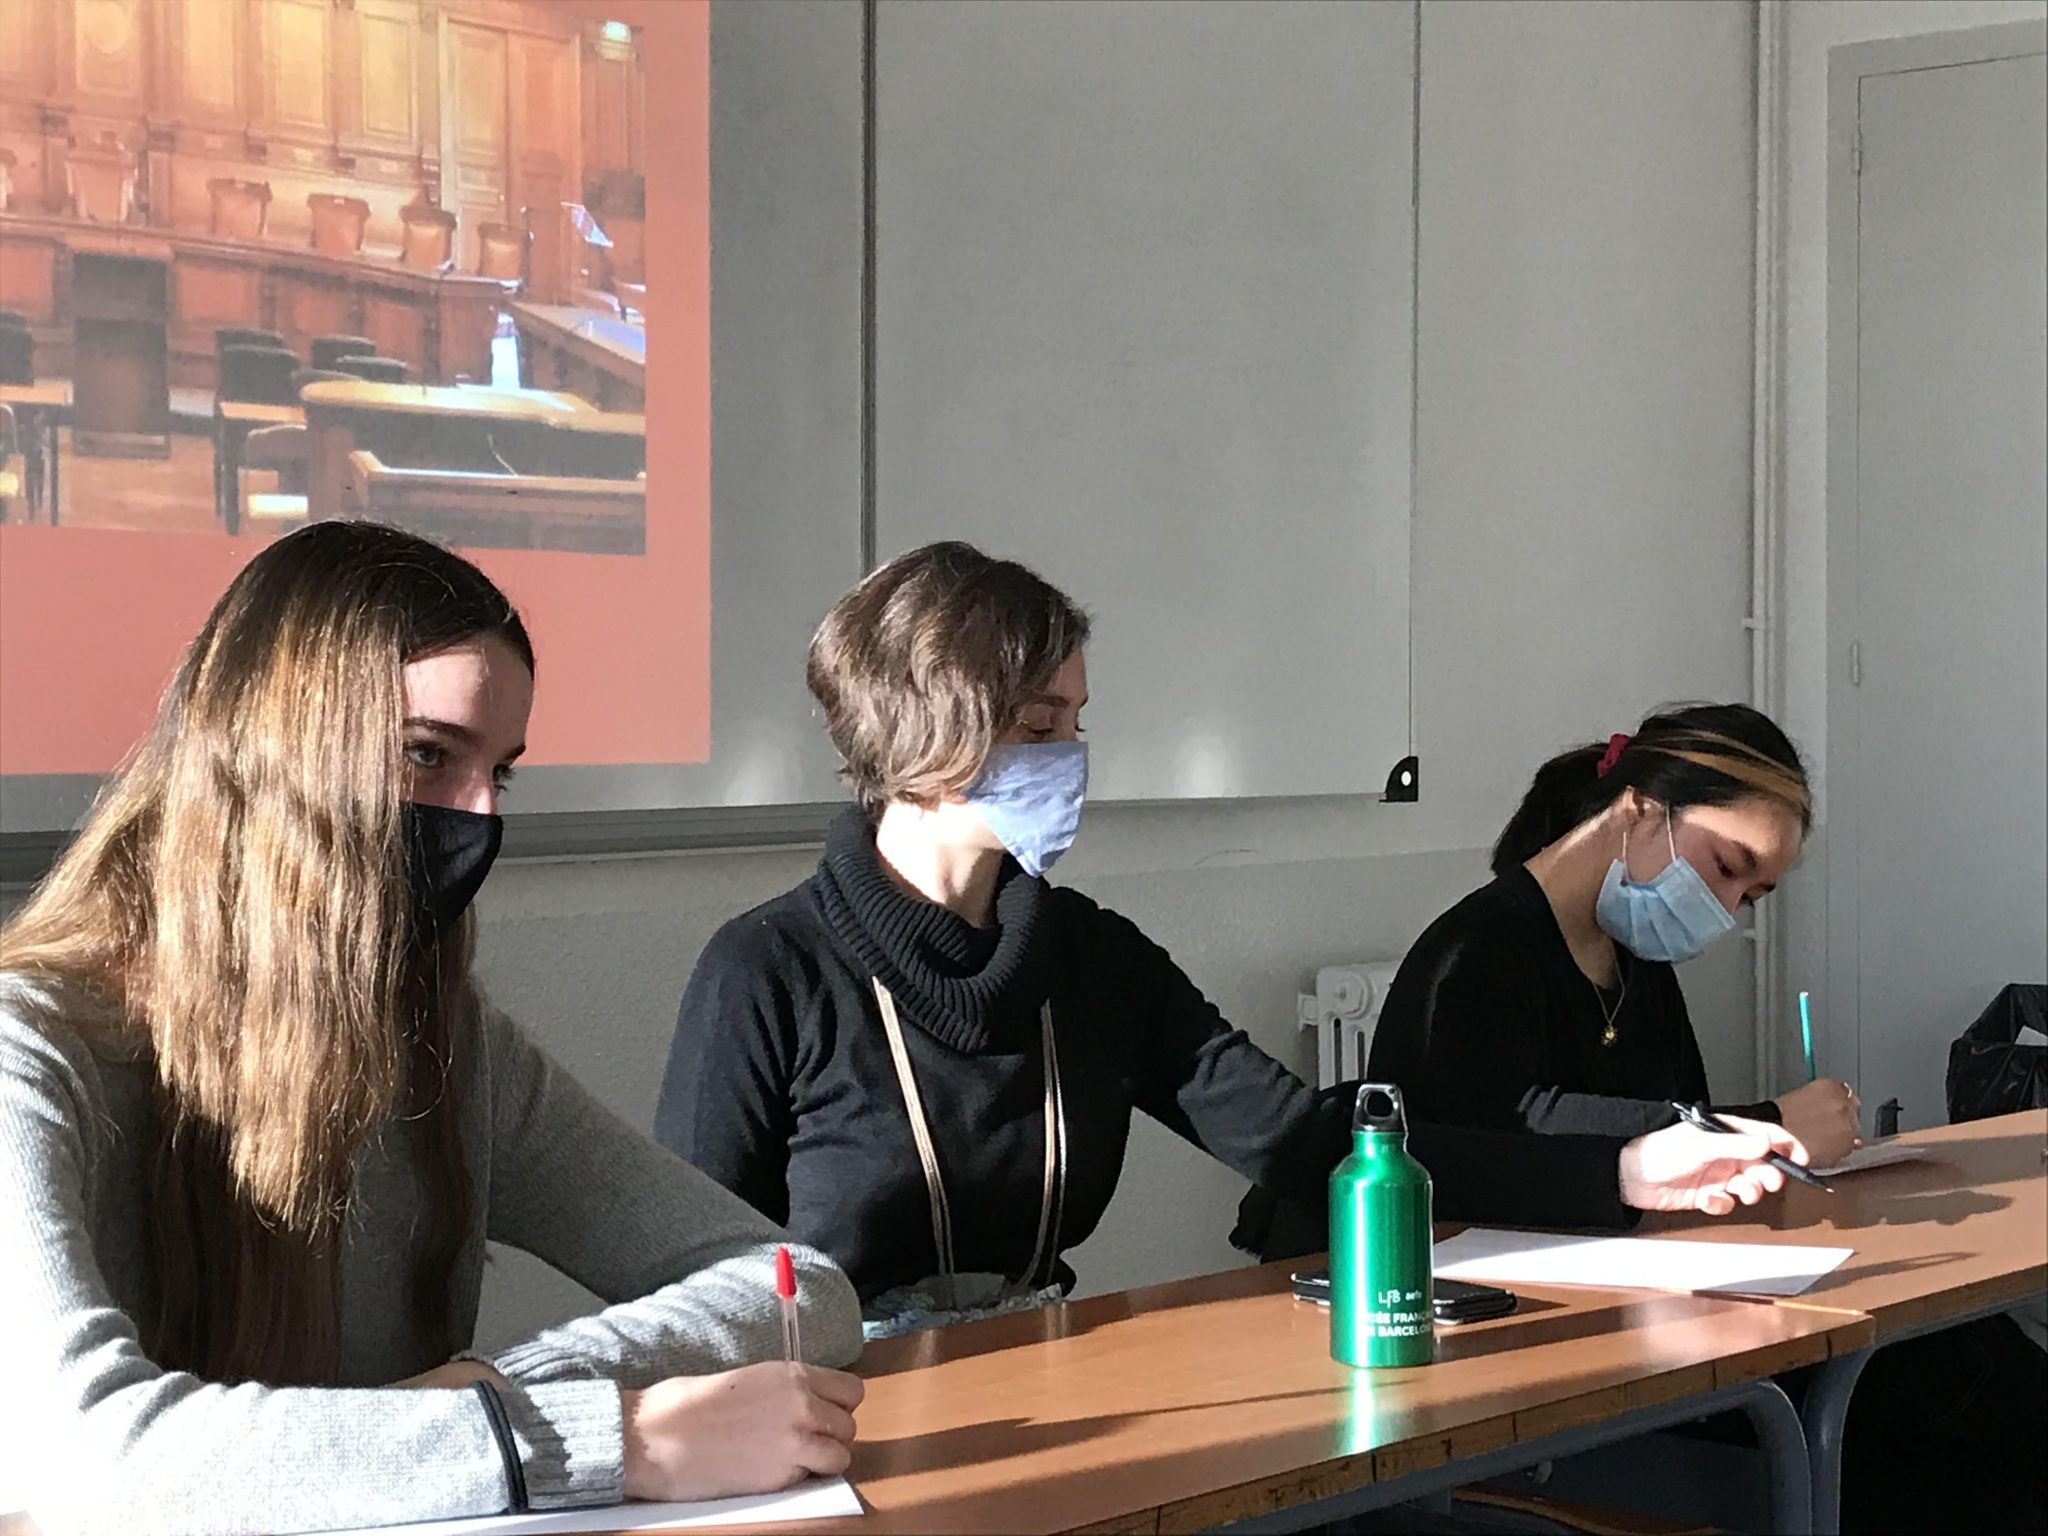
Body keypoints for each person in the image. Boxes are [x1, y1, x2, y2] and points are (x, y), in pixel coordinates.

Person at [654, 542, 1808, 1336]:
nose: (1070, 760)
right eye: (1037, 727)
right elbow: (684, 1281)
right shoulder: (768, 972)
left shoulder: (1092, 960)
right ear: (923, 727)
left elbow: (1311, 1148)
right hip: (835, 1425)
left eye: (1076, 725)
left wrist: (1623, 1170)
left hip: (1046, 1389)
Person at [0, 523, 863, 1536]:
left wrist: (495, 1392)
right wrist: (602, 1440)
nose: (478, 814)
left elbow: (795, 1287)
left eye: (502, 773)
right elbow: (82, 1456)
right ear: (273, 748)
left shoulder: (447, 1044)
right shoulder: (33, 1051)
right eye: (427, 754)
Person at [1364, 706, 1862, 1166]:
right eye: (1726, 867)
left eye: (1749, 898)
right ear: (1641, 809)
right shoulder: (1477, 953)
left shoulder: (1637, 961)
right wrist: (1763, 1125)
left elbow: (1679, 1113)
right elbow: (1510, 1134)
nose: (1725, 909)